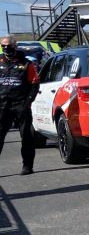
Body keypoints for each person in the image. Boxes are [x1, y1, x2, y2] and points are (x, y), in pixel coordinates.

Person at [0, 36, 40, 175]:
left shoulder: (27, 64)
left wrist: (27, 103)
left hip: (21, 104)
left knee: (27, 136)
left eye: (9, 45)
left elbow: (35, 84)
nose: (6, 48)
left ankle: (27, 166)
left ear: (15, 46)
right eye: (3, 46)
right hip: (3, 106)